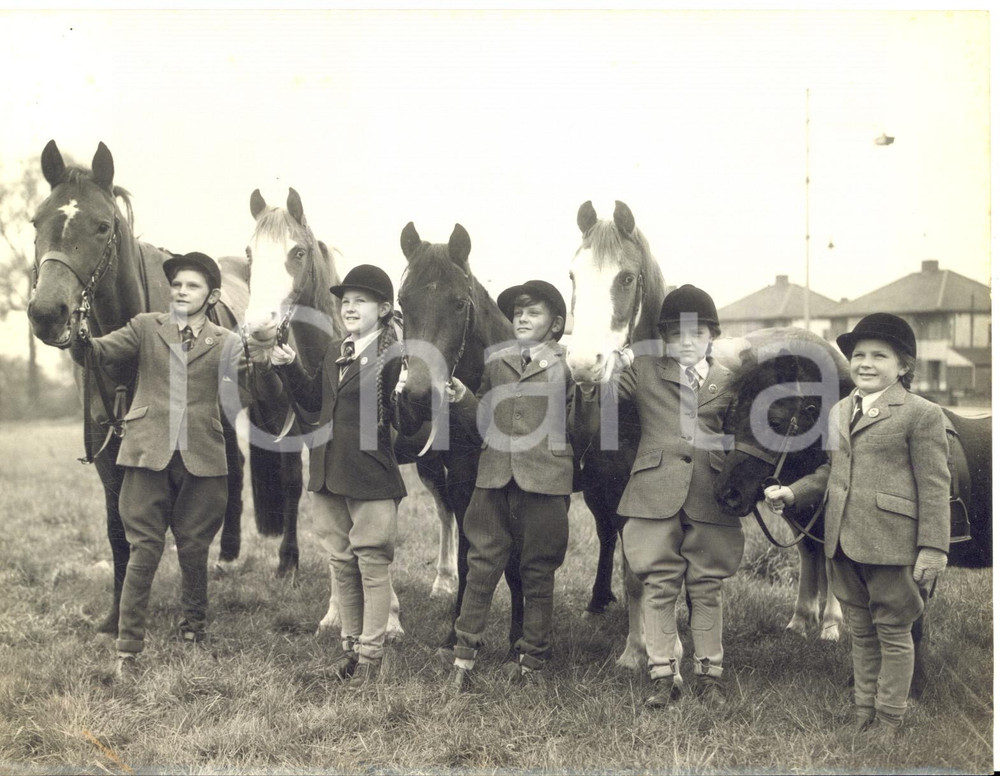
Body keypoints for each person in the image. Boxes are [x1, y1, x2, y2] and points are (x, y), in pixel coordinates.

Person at [75, 252, 271, 678]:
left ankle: (194, 632)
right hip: (147, 455)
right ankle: (128, 648)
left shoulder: (228, 341)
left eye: (192, 286)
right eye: (177, 284)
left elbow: (247, 397)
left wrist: (263, 359)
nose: (182, 291)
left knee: (195, 549)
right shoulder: (145, 327)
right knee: (144, 548)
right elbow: (98, 354)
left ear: (212, 295)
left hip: (203, 457)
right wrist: (76, 336)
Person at [764, 313, 950, 741]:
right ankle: (863, 710)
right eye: (859, 355)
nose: (866, 363)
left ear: (903, 366)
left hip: (891, 545)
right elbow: (833, 472)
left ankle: (889, 719)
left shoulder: (920, 414)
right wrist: (792, 493)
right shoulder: (840, 411)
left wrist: (933, 548)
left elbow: (935, 486)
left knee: (894, 633)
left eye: (879, 356)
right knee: (862, 634)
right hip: (843, 544)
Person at [580, 284, 741, 709]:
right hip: (653, 494)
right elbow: (606, 388)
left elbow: (739, 435)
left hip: (710, 495)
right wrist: (614, 355)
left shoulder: (729, 381)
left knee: (706, 587)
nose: (686, 343)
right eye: (675, 335)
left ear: (712, 336)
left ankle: (710, 677)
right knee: (658, 583)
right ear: (663, 338)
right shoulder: (646, 370)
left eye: (697, 333)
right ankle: (663, 676)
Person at [269, 264, 405, 688]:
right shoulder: (334, 350)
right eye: (345, 301)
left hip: (369, 475)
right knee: (341, 562)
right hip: (327, 472)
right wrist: (290, 368)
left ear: (384, 309)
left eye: (360, 301)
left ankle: (371, 656)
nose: (350, 307)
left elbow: (407, 418)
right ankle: (349, 650)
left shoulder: (395, 356)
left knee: (372, 563)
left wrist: (412, 390)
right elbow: (313, 405)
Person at [442, 279, 576, 691]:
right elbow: (486, 419)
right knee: (480, 568)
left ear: (554, 326)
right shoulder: (496, 362)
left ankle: (532, 661)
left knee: (537, 572)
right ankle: (463, 660)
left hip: (545, 484)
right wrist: (463, 397)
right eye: (518, 312)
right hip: (494, 479)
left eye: (533, 312)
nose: (522, 318)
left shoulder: (568, 366)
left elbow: (578, 423)